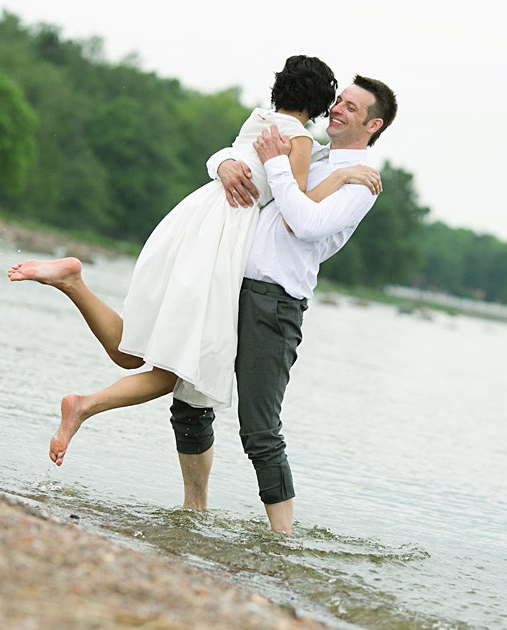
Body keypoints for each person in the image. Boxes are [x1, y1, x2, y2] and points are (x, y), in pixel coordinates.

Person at [7, 57, 381, 468]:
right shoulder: (301, 142)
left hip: (192, 220)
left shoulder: (257, 119)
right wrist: (342, 178)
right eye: (335, 102)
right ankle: (83, 405)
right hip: (221, 238)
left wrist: (222, 162)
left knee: (134, 350)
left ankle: (74, 283)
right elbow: (297, 209)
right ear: (320, 103)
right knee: (181, 368)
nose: (336, 111)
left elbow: (241, 161)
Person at [171, 75, 398, 533]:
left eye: (351, 108)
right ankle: (193, 513)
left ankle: (284, 542)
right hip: (230, 284)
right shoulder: (311, 153)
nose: (337, 109)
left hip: (274, 303)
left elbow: (303, 223)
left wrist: (290, 169)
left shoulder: (362, 183)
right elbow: (236, 151)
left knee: (259, 429)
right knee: (189, 402)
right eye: (338, 101)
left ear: (372, 125)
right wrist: (221, 166)